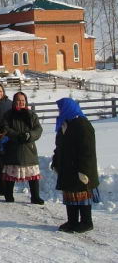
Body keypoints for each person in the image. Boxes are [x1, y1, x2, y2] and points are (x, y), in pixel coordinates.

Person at [52, 98, 100, 233]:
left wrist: (84, 170)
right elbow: (59, 146)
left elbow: (88, 150)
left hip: (80, 168)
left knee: (82, 195)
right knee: (70, 195)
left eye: (61, 108)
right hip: (67, 168)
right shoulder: (64, 124)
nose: (60, 111)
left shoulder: (82, 124)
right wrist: (56, 161)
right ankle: (72, 221)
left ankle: (86, 222)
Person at [1, 92, 44, 204]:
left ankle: (35, 196)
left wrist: (29, 135)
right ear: (14, 102)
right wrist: (16, 136)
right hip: (13, 148)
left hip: (29, 148)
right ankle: (8, 195)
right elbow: (5, 128)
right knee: (11, 173)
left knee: (33, 175)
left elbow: (38, 129)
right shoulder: (8, 115)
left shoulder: (32, 115)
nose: (21, 103)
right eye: (18, 101)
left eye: (23, 101)